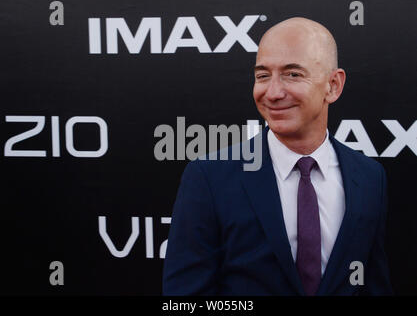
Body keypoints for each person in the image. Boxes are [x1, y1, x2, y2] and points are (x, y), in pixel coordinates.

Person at [162, 17, 392, 295]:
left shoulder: (369, 177)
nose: (272, 93)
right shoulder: (209, 177)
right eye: (262, 76)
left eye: (292, 74)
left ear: (333, 85)